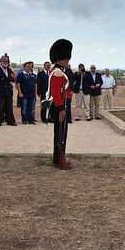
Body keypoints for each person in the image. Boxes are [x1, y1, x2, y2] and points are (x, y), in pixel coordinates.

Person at [46, 39, 72, 169]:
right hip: (59, 107)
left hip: (61, 105)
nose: (68, 60)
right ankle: (58, 160)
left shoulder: (60, 71)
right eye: (66, 58)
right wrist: (61, 109)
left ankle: (60, 158)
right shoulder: (57, 72)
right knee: (60, 134)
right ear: (60, 59)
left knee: (61, 133)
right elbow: (56, 93)